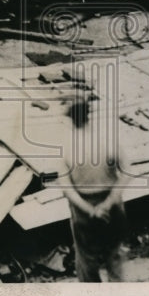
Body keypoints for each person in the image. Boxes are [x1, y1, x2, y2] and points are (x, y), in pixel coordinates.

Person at [60, 95, 126, 282]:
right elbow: (127, 172)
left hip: (83, 210)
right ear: (89, 115)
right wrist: (109, 202)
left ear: (71, 119)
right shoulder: (107, 140)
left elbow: (67, 189)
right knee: (114, 255)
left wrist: (91, 210)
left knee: (86, 260)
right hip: (112, 206)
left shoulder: (67, 147)